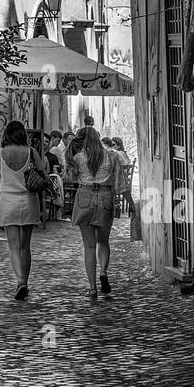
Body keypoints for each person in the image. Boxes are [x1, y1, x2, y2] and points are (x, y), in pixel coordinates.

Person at [0, 120, 48, 301]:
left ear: (7, 134)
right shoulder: (31, 152)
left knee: (13, 246)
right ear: (23, 134)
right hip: (29, 201)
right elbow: (43, 175)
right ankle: (25, 281)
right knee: (25, 246)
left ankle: (20, 281)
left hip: (8, 201)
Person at [67, 125, 120, 301]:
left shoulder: (78, 158)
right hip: (105, 196)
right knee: (103, 242)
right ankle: (103, 272)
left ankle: (91, 287)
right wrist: (130, 204)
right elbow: (121, 184)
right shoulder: (112, 156)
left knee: (89, 246)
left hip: (85, 196)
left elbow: (70, 178)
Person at [112, 136, 134, 218]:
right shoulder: (123, 153)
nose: (112, 146)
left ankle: (113, 207)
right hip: (124, 179)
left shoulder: (117, 154)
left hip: (120, 179)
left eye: (113, 144)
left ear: (118, 145)